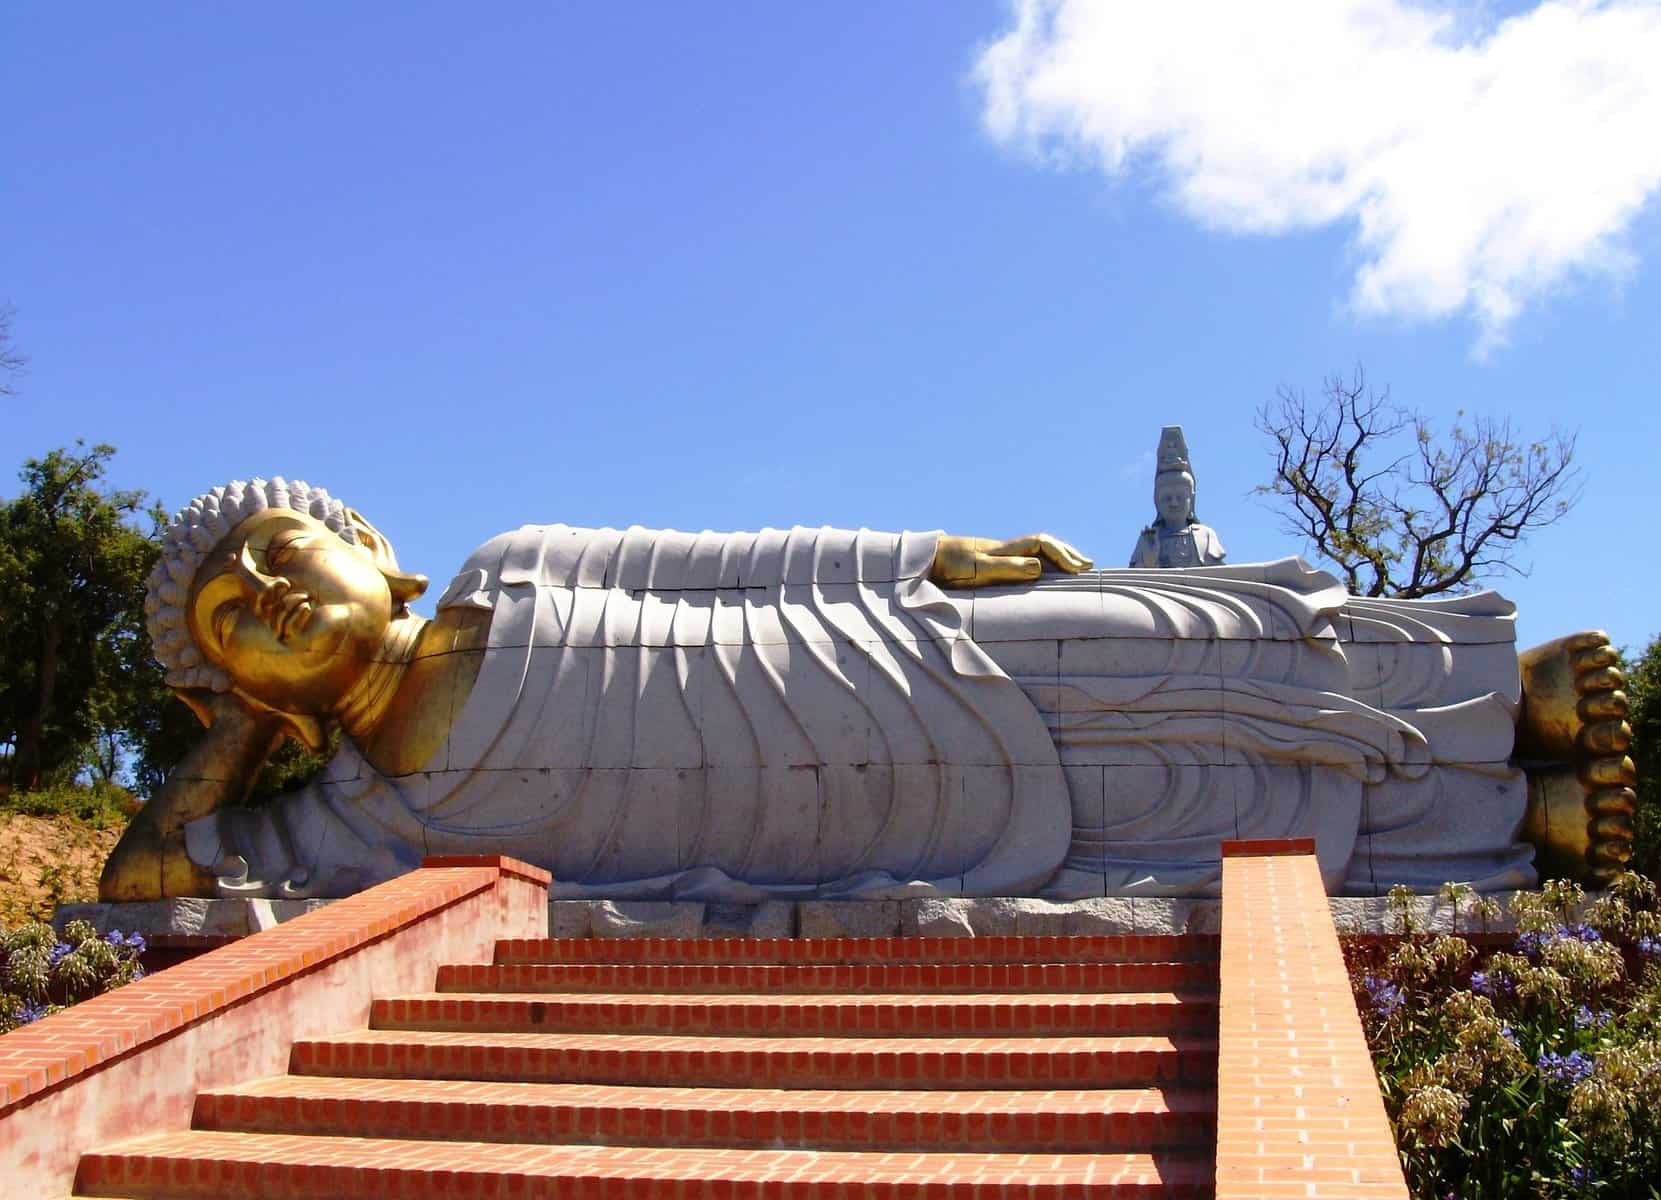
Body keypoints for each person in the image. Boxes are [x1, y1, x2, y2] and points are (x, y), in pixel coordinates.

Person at [102, 476, 1634, 902]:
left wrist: (926, 554)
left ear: (371, 545)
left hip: (872, 648)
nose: (282, 597)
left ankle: (1504, 688)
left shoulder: (517, 565)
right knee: (1175, 801)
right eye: (240, 620)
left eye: (288, 556)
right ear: (244, 695)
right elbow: (146, 880)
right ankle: (1510, 820)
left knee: (1167, 642)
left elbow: (726, 562)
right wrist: (233, 752)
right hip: (890, 822)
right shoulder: (369, 819)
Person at [1128, 426, 1225, 568]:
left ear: (1191, 499)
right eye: (1167, 498)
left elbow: (1219, 577)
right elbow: (1135, 579)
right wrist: (1149, 561)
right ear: (1156, 502)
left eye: (1180, 497)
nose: (1174, 503)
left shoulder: (1206, 535)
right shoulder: (1149, 539)